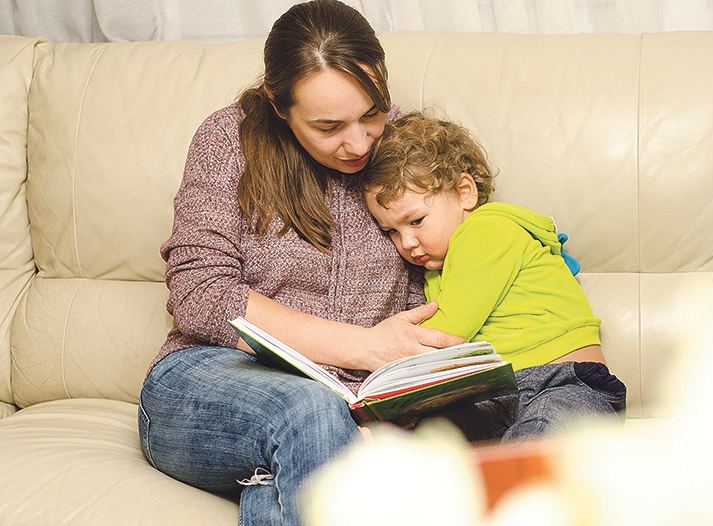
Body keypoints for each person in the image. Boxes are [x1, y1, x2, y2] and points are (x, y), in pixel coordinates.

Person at [138, 2, 464, 525]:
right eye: (329, 126)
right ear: (278, 103)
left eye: (372, 113)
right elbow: (201, 296)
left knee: (288, 481)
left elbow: (426, 292)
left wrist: (392, 409)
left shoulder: (407, 146)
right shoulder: (229, 140)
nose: (358, 144)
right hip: (206, 381)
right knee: (309, 411)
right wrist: (363, 347)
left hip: (351, 403)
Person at [361, 112, 627, 444]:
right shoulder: (436, 270)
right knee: (420, 445)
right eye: (392, 231)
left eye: (416, 221)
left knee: (536, 442)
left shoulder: (485, 230)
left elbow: (446, 333)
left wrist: (377, 364)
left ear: (464, 192)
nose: (407, 242)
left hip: (566, 384)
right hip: (499, 397)